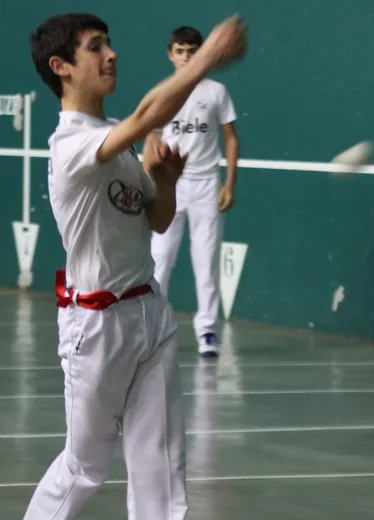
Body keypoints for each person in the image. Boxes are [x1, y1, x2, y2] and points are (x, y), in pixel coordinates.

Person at [0, 13, 246, 520]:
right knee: (87, 465)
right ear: (61, 68)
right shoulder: (72, 144)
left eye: (109, 44)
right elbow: (153, 112)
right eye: (95, 48)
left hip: (149, 314)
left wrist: (166, 181)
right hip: (94, 326)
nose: (112, 55)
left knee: (160, 462)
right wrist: (205, 59)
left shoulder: (119, 143)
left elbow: (154, 219)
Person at [145, 25, 240, 359]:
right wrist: (150, 183)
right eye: (180, 52)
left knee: (206, 259)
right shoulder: (164, 92)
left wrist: (229, 183)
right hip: (170, 186)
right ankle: (153, 329)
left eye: (192, 51)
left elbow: (231, 138)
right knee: (160, 258)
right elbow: (152, 137)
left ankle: (208, 331)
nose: (186, 58)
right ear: (170, 55)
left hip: (206, 186)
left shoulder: (216, 92)